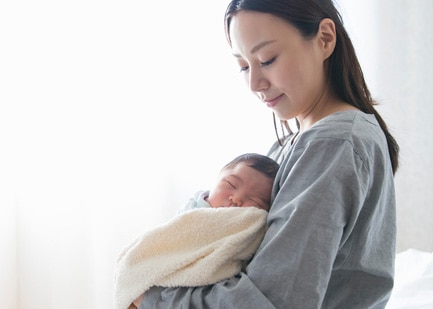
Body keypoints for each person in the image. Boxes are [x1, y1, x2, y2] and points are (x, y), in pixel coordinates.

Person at [138, 0, 400, 308]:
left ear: (325, 39)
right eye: (244, 66)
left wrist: (153, 298)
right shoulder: (291, 143)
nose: (254, 84)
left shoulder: (333, 144)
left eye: (267, 59)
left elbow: (274, 300)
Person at [113, 153, 279, 309]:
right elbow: (167, 242)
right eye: (231, 185)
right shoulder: (193, 210)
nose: (236, 199)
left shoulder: (250, 227)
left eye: (254, 200)